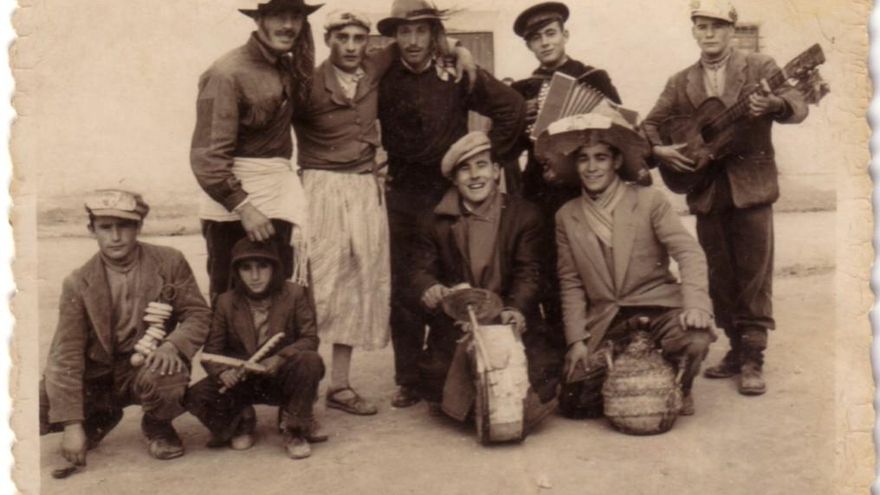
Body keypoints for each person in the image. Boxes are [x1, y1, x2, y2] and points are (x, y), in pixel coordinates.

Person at [292, 10, 477, 416]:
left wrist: (459, 50)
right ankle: (298, 388)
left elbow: (423, 40)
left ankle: (339, 385)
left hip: (363, 187)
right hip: (320, 186)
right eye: (344, 38)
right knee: (317, 285)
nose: (353, 47)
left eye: (360, 38)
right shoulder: (305, 82)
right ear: (329, 41)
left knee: (357, 284)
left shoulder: (377, 62)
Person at [642, 0, 809, 395]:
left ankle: (753, 357)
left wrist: (777, 104)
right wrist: (659, 151)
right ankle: (734, 349)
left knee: (754, 273)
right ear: (694, 31)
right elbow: (650, 123)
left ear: (732, 29)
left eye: (717, 26)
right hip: (707, 190)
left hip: (751, 185)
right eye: (702, 26)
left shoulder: (761, 68)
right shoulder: (680, 81)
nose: (710, 33)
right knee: (718, 274)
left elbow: (798, 105)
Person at [377, 0, 527, 408]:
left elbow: (511, 107)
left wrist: (484, 158)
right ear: (394, 36)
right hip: (404, 193)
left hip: (451, 191)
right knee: (407, 283)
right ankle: (408, 377)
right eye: (404, 32)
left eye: (421, 31)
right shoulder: (383, 73)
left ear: (432, 34)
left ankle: (459, 352)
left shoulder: (455, 72)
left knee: (458, 274)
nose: (412, 41)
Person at [543, 108, 715, 417]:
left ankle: (678, 387)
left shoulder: (648, 200)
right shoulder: (566, 215)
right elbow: (570, 281)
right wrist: (577, 340)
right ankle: (630, 362)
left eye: (601, 157)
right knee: (574, 403)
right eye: (584, 159)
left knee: (694, 338)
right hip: (608, 318)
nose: (592, 168)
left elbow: (689, 253)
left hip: (658, 306)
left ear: (617, 162)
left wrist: (697, 305)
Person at [39, 190, 211, 464]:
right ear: (91, 230)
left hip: (149, 365)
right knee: (39, 408)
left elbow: (198, 314)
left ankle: (158, 425)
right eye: (105, 228)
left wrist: (172, 345)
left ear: (139, 227)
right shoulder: (77, 282)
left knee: (168, 374)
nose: (115, 236)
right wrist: (71, 425)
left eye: (124, 226)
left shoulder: (169, 261)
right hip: (99, 376)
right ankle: (99, 416)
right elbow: (65, 355)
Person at [410, 132, 558, 429]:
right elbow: (419, 270)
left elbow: (529, 273)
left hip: (508, 317)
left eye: (482, 165)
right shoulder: (434, 219)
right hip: (460, 324)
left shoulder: (524, 215)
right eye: (465, 169)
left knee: (543, 375)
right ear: (454, 178)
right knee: (439, 379)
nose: (475, 175)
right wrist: (430, 288)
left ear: (496, 171)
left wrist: (515, 309)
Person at [509, 1, 630, 361]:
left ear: (565, 35)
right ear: (529, 46)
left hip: (586, 188)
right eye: (536, 39)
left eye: (550, 34)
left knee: (591, 266)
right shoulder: (524, 89)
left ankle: (596, 343)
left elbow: (620, 127)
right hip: (542, 191)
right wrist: (521, 118)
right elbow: (511, 147)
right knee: (549, 267)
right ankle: (560, 348)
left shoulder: (594, 78)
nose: (545, 43)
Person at [190, 0, 321, 303]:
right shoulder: (225, 73)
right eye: (278, 15)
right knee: (231, 303)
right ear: (259, 19)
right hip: (236, 212)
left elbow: (305, 105)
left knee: (283, 301)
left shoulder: (287, 67)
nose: (288, 25)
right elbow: (206, 158)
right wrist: (244, 208)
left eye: (296, 16)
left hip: (279, 201)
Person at [186, 238, 325, 460]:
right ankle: (242, 420)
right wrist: (223, 372)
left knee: (310, 361)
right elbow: (211, 352)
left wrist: (280, 358)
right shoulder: (225, 301)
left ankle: (295, 428)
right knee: (194, 396)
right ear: (236, 272)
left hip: (280, 376)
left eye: (263, 266)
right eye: (246, 268)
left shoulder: (294, 293)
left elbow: (310, 338)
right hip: (243, 380)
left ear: (275, 268)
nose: (255, 276)